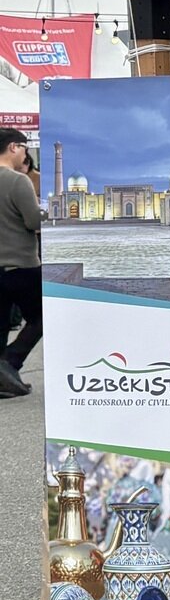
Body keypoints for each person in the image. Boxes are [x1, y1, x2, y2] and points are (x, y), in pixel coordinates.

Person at [0, 129, 41, 399]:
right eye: (25, 149)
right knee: (42, 317)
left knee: (0, 324)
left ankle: (3, 380)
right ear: (14, 147)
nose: (26, 154)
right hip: (21, 266)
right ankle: (10, 363)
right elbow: (33, 222)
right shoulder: (17, 181)